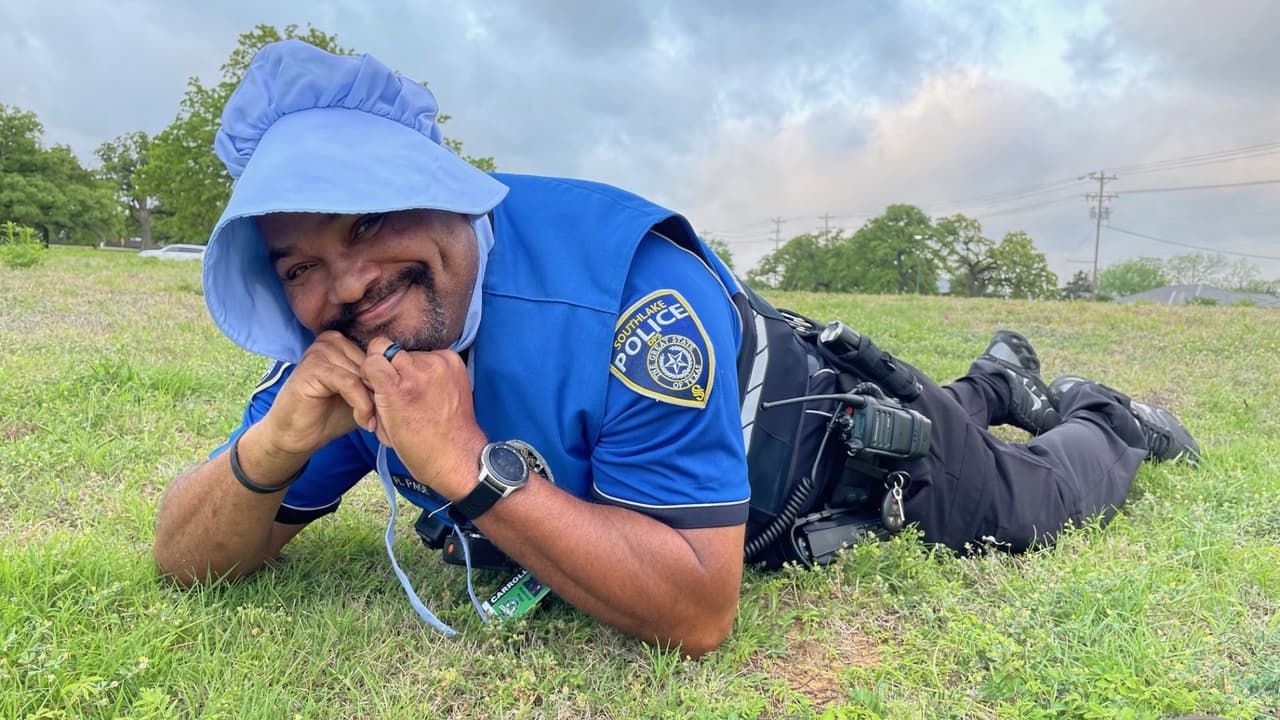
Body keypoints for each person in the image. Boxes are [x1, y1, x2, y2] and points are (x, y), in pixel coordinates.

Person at [152, 40, 1199, 658]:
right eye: (298, 264)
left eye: (368, 220)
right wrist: (275, 446)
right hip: (754, 409)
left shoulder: (633, 302)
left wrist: (463, 469)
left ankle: (1102, 413)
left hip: (831, 451)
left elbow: (699, 608)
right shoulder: (345, 347)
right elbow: (184, 562)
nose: (345, 284)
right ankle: (993, 380)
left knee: (1032, 502)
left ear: (438, 184)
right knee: (960, 409)